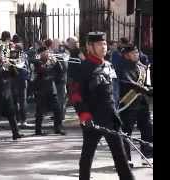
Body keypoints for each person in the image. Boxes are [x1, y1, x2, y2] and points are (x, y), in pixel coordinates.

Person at [68, 32, 135, 180]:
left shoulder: (109, 65)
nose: (103, 47)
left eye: (104, 44)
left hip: (111, 118)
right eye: (99, 44)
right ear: (89, 47)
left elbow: (114, 91)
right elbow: (74, 93)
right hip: (92, 119)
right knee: (87, 157)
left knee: (121, 157)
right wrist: (84, 115)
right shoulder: (83, 68)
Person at [116, 44, 153, 167]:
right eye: (133, 53)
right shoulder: (121, 67)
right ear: (126, 55)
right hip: (128, 103)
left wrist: (149, 89)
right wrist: (143, 89)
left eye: (137, 52)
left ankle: (147, 155)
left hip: (142, 103)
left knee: (147, 128)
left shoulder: (142, 67)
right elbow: (127, 82)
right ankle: (125, 159)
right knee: (126, 131)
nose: (136, 55)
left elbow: (147, 83)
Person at [0, 46, 24, 141]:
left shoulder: (6, 63)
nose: (1, 55)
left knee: (12, 114)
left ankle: (16, 133)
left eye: (2, 53)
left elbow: (15, 75)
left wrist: (12, 66)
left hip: (7, 92)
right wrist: (2, 68)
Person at [33, 46, 66, 135]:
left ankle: (58, 128)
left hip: (52, 89)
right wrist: (51, 63)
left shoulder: (52, 61)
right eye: (44, 53)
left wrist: (57, 62)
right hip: (41, 89)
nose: (47, 54)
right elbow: (42, 70)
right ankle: (38, 130)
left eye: (47, 52)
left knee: (57, 110)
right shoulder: (37, 62)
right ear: (40, 54)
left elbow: (61, 71)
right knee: (39, 111)